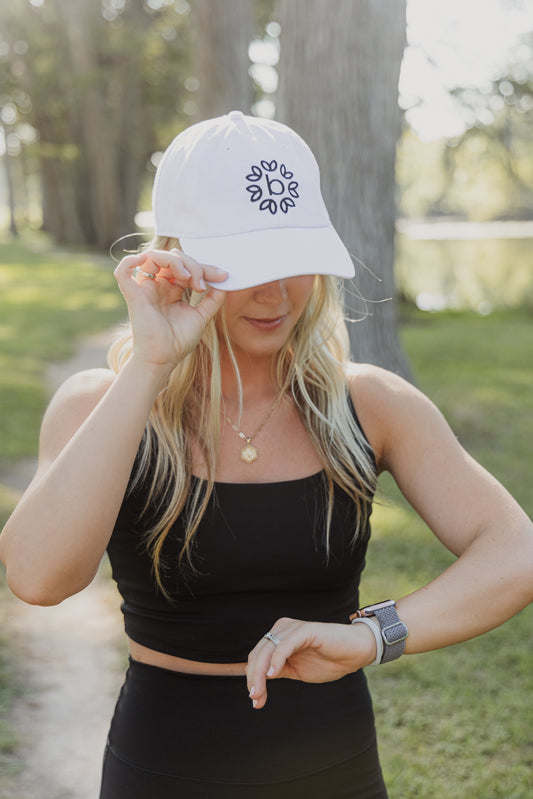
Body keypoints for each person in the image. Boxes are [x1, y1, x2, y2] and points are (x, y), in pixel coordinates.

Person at [1, 111, 532, 799]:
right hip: (163, 773)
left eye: (291, 259)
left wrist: (374, 634)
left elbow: (514, 551)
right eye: (248, 263)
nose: (275, 292)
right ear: (174, 255)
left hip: (337, 774)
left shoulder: (368, 404)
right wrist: (150, 367)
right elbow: (39, 578)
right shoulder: (101, 405)